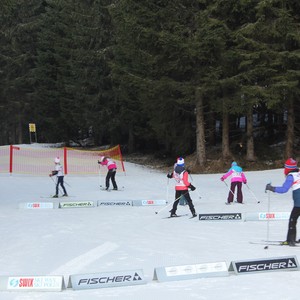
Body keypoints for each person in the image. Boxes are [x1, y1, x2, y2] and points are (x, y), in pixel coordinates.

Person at [265, 158, 300, 246]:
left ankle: (290, 241)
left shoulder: (291, 176)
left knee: (293, 220)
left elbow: (284, 189)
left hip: (298, 203)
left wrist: (272, 188)